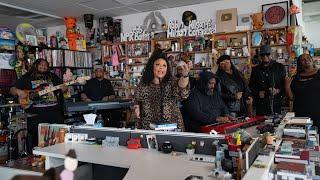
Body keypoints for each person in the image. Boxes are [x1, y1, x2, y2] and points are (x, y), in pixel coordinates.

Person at [10, 58, 66, 153]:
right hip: (36, 115)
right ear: (35, 65)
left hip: (54, 113)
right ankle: (37, 160)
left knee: (58, 140)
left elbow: (63, 88)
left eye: (45, 65)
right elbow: (12, 89)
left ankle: (56, 158)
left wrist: (64, 87)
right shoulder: (27, 77)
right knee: (36, 143)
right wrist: (19, 92)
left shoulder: (52, 76)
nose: (43, 67)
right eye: (41, 64)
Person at [133, 50, 190, 130]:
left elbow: (182, 90)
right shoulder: (144, 84)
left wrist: (185, 76)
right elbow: (137, 100)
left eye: (164, 65)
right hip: (149, 125)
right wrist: (136, 107)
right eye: (157, 64)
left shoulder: (171, 81)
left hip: (171, 126)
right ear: (152, 66)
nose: (161, 67)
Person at [249, 45, 286, 115]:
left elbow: (285, 85)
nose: (265, 56)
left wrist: (278, 90)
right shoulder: (255, 70)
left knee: (276, 124)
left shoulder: (279, 67)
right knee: (260, 124)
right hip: (261, 105)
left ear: (271, 54)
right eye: (263, 54)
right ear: (260, 56)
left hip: (276, 103)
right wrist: (258, 93)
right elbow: (251, 86)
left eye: (267, 54)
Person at [285, 54, 320, 128]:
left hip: (317, 113)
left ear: (312, 60)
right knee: (301, 136)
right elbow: (292, 98)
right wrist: (287, 87)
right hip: (300, 115)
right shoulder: (296, 78)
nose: (306, 60)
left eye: (308, 58)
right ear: (300, 63)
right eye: (303, 59)